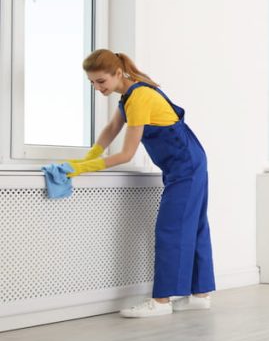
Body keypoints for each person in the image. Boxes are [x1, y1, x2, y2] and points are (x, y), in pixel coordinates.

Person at [61, 50, 214, 318]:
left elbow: (126, 154)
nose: (97, 88)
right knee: (194, 226)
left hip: (186, 167)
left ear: (117, 73)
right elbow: (111, 130)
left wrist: (82, 168)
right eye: (92, 83)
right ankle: (200, 296)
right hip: (189, 162)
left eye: (101, 82)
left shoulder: (140, 98)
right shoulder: (128, 98)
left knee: (171, 229)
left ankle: (161, 302)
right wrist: (88, 156)